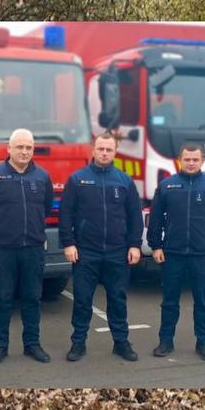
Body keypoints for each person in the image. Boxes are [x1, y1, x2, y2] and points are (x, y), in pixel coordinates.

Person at [58, 131, 143, 363]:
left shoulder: (124, 181)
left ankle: (121, 343)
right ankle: (78, 343)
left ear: (115, 152)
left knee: (117, 299)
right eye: (101, 149)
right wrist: (68, 243)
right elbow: (66, 214)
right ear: (93, 150)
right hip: (86, 252)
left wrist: (135, 245)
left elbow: (135, 215)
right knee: (83, 300)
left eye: (109, 150)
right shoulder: (78, 179)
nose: (104, 153)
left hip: (117, 252)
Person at [0, 128, 54, 365]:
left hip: (33, 249)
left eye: (29, 147)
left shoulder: (42, 177)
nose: (24, 151)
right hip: (3, 249)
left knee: (32, 298)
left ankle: (32, 344)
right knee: (2, 299)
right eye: (19, 147)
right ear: (8, 149)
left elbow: (46, 207)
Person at [148, 143, 205, 361]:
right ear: (180, 160)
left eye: (196, 159)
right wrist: (156, 245)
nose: (191, 163)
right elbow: (156, 219)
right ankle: (165, 341)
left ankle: (203, 343)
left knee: (203, 302)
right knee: (169, 301)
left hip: (202, 255)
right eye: (187, 159)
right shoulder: (167, 185)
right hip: (172, 254)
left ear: (202, 161)